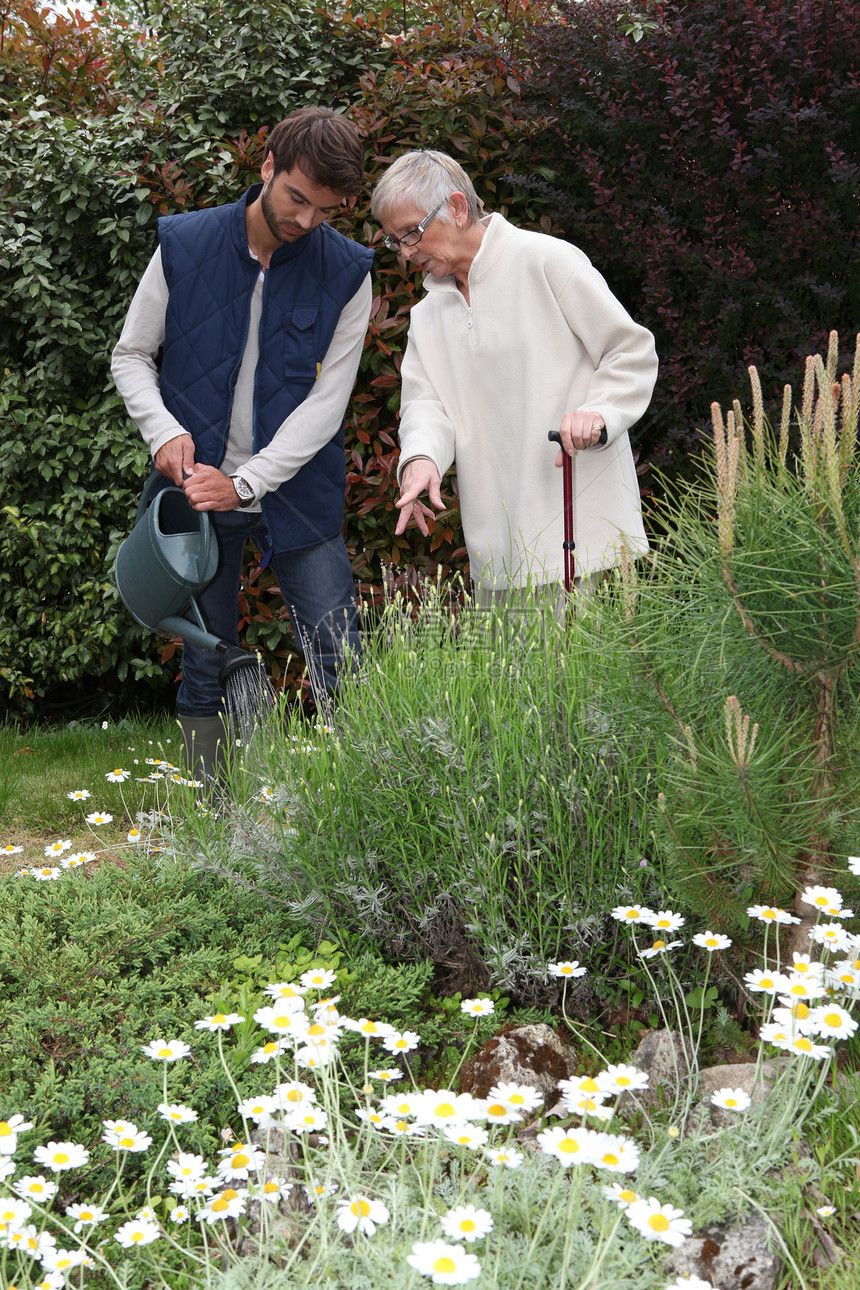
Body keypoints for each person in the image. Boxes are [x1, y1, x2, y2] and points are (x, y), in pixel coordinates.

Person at [112, 107, 374, 773]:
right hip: (197, 497)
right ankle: (214, 827)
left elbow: (326, 406)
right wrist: (164, 431)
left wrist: (248, 481)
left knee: (341, 661)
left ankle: (367, 820)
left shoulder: (349, 271)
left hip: (299, 495)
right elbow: (132, 356)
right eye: (296, 198)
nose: (306, 221)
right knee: (204, 666)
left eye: (325, 208)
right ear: (266, 167)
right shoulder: (186, 243)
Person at [370, 151, 658, 605]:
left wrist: (599, 414)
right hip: (497, 551)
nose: (406, 252)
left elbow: (629, 350)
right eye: (395, 241)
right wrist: (422, 458)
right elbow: (427, 406)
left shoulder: (547, 261)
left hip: (583, 535)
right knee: (510, 678)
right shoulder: (427, 316)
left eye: (411, 233)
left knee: (589, 677)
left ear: (458, 208)